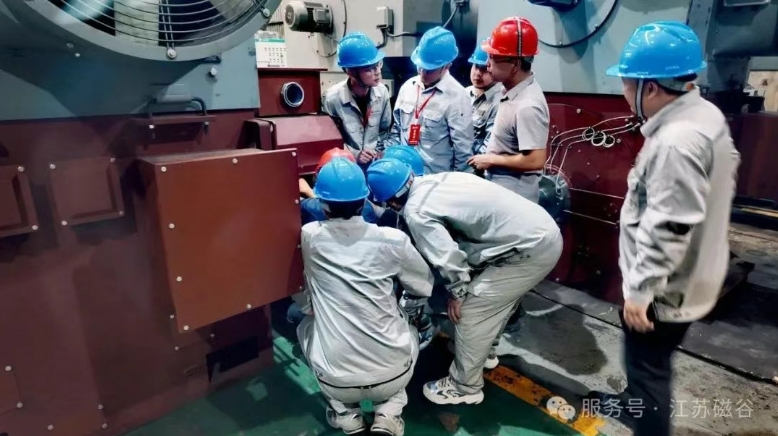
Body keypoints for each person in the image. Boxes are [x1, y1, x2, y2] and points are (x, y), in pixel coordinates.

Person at [589, 21, 741, 436]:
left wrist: (640, 293)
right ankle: (633, 403)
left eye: (626, 83)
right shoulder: (705, 113)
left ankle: (646, 419)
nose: (623, 91)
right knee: (645, 366)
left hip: (666, 289)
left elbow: (669, 227)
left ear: (651, 88)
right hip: (695, 271)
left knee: (648, 369)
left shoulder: (676, 142)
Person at [365, 159, 563, 405]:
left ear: (392, 201)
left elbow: (446, 257)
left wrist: (458, 293)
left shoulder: (416, 212)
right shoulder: (441, 178)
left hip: (528, 251)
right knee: (497, 304)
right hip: (539, 232)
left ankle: (464, 387)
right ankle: (484, 354)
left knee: (470, 312)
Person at [297, 158, 434, 436]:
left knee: (305, 325)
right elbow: (423, 286)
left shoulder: (309, 236)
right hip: (393, 375)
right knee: (410, 325)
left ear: (323, 204)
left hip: (336, 381)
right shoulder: (393, 240)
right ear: (364, 200)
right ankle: (388, 415)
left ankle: (346, 415)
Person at [467, 17, 549, 203]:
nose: (488, 64)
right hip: (501, 193)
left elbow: (535, 160)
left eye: (494, 58)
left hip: (514, 198)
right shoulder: (511, 92)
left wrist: (491, 160)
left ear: (515, 65)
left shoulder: (527, 105)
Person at [389, 26, 473, 174]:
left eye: (430, 69)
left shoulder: (458, 97)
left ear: (447, 66)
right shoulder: (407, 87)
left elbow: (463, 151)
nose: (422, 72)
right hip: (403, 174)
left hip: (435, 179)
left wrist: (458, 182)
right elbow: (396, 131)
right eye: (420, 66)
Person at [322, 32, 393, 169]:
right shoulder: (332, 99)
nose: (377, 72)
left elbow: (384, 131)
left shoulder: (382, 92)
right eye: (369, 69)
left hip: (376, 164)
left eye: (378, 64)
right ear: (351, 72)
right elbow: (330, 142)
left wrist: (378, 152)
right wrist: (355, 155)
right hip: (346, 167)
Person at [466, 42, 504, 157]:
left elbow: (490, 146)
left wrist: (469, 164)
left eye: (484, 69)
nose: (478, 73)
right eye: (476, 66)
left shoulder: (499, 102)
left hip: (476, 163)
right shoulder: (463, 94)